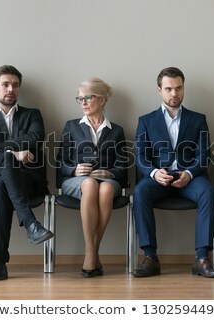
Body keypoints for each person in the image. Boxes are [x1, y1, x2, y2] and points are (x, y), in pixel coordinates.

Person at [132, 67, 214, 278]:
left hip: (190, 178)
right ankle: (150, 257)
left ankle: (201, 259)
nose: (174, 94)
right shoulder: (146, 120)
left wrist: (189, 173)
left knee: (209, 192)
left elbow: (203, 153)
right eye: (169, 89)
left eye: (178, 88)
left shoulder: (198, 119)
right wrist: (154, 173)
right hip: (158, 179)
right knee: (139, 192)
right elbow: (140, 156)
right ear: (159, 90)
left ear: (183, 88)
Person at [0, 65, 53, 281]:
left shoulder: (32, 114)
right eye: (5, 84)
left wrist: (2, 149)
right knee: (4, 162)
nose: (10, 89)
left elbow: (35, 138)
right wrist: (12, 152)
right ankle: (31, 223)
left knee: (1, 185)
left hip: (26, 179)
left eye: (15, 85)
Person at [57, 77, 128, 277]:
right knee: (89, 184)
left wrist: (110, 173)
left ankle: (93, 251)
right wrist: (74, 170)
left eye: (88, 97)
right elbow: (61, 161)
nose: (84, 103)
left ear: (103, 99)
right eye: (80, 99)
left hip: (107, 180)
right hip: (76, 181)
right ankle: (91, 253)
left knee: (104, 188)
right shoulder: (71, 126)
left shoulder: (117, 131)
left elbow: (123, 166)